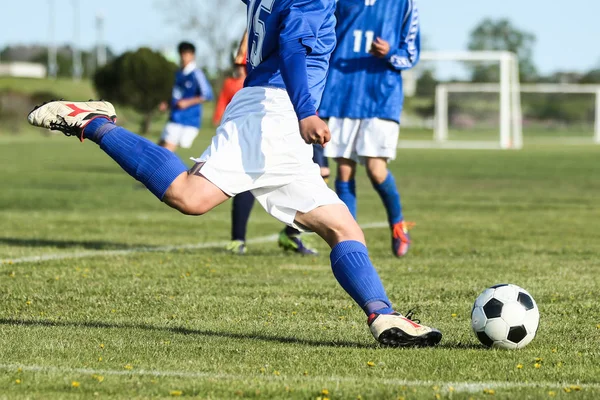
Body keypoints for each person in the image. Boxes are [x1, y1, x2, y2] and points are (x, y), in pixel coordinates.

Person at [27, 0, 441, 347]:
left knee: (342, 227)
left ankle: (383, 316)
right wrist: (307, 112)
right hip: (274, 112)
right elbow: (296, 50)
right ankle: (93, 123)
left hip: (268, 109)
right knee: (190, 195)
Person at [319, 0, 420, 258]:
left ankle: (398, 226)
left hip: (380, 97)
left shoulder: (403, 3)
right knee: (343, 171)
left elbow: (410, 54)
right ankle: (351, 241)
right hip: (342, 93)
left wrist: (388, 52)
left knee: (376, 171)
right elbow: (323, 32)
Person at [159, 41, 213, 152]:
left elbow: (207, 95)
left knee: (166, 151)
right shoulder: (178, 74)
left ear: (192, 55)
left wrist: (187, 103)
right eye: (182, 54)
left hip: (187, 119)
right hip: (174, 116)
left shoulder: (196, 74)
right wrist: (168, 104)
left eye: (186, 54)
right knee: (158, 149)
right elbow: (177, 95)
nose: (184, 57)